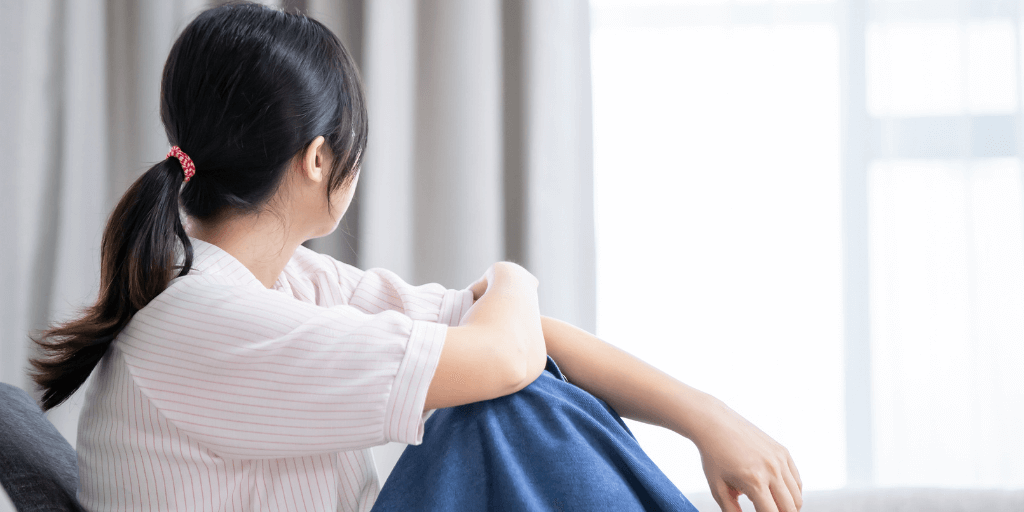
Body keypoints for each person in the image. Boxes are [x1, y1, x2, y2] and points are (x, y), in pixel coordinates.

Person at [30, 3, 802, 511]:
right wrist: (512, 276)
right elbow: (504, 358)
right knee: (502, 408)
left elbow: (520, 343)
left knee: (512, 393)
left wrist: (708, 418)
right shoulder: (204, 322)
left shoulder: (281, 282)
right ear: (318, 161)